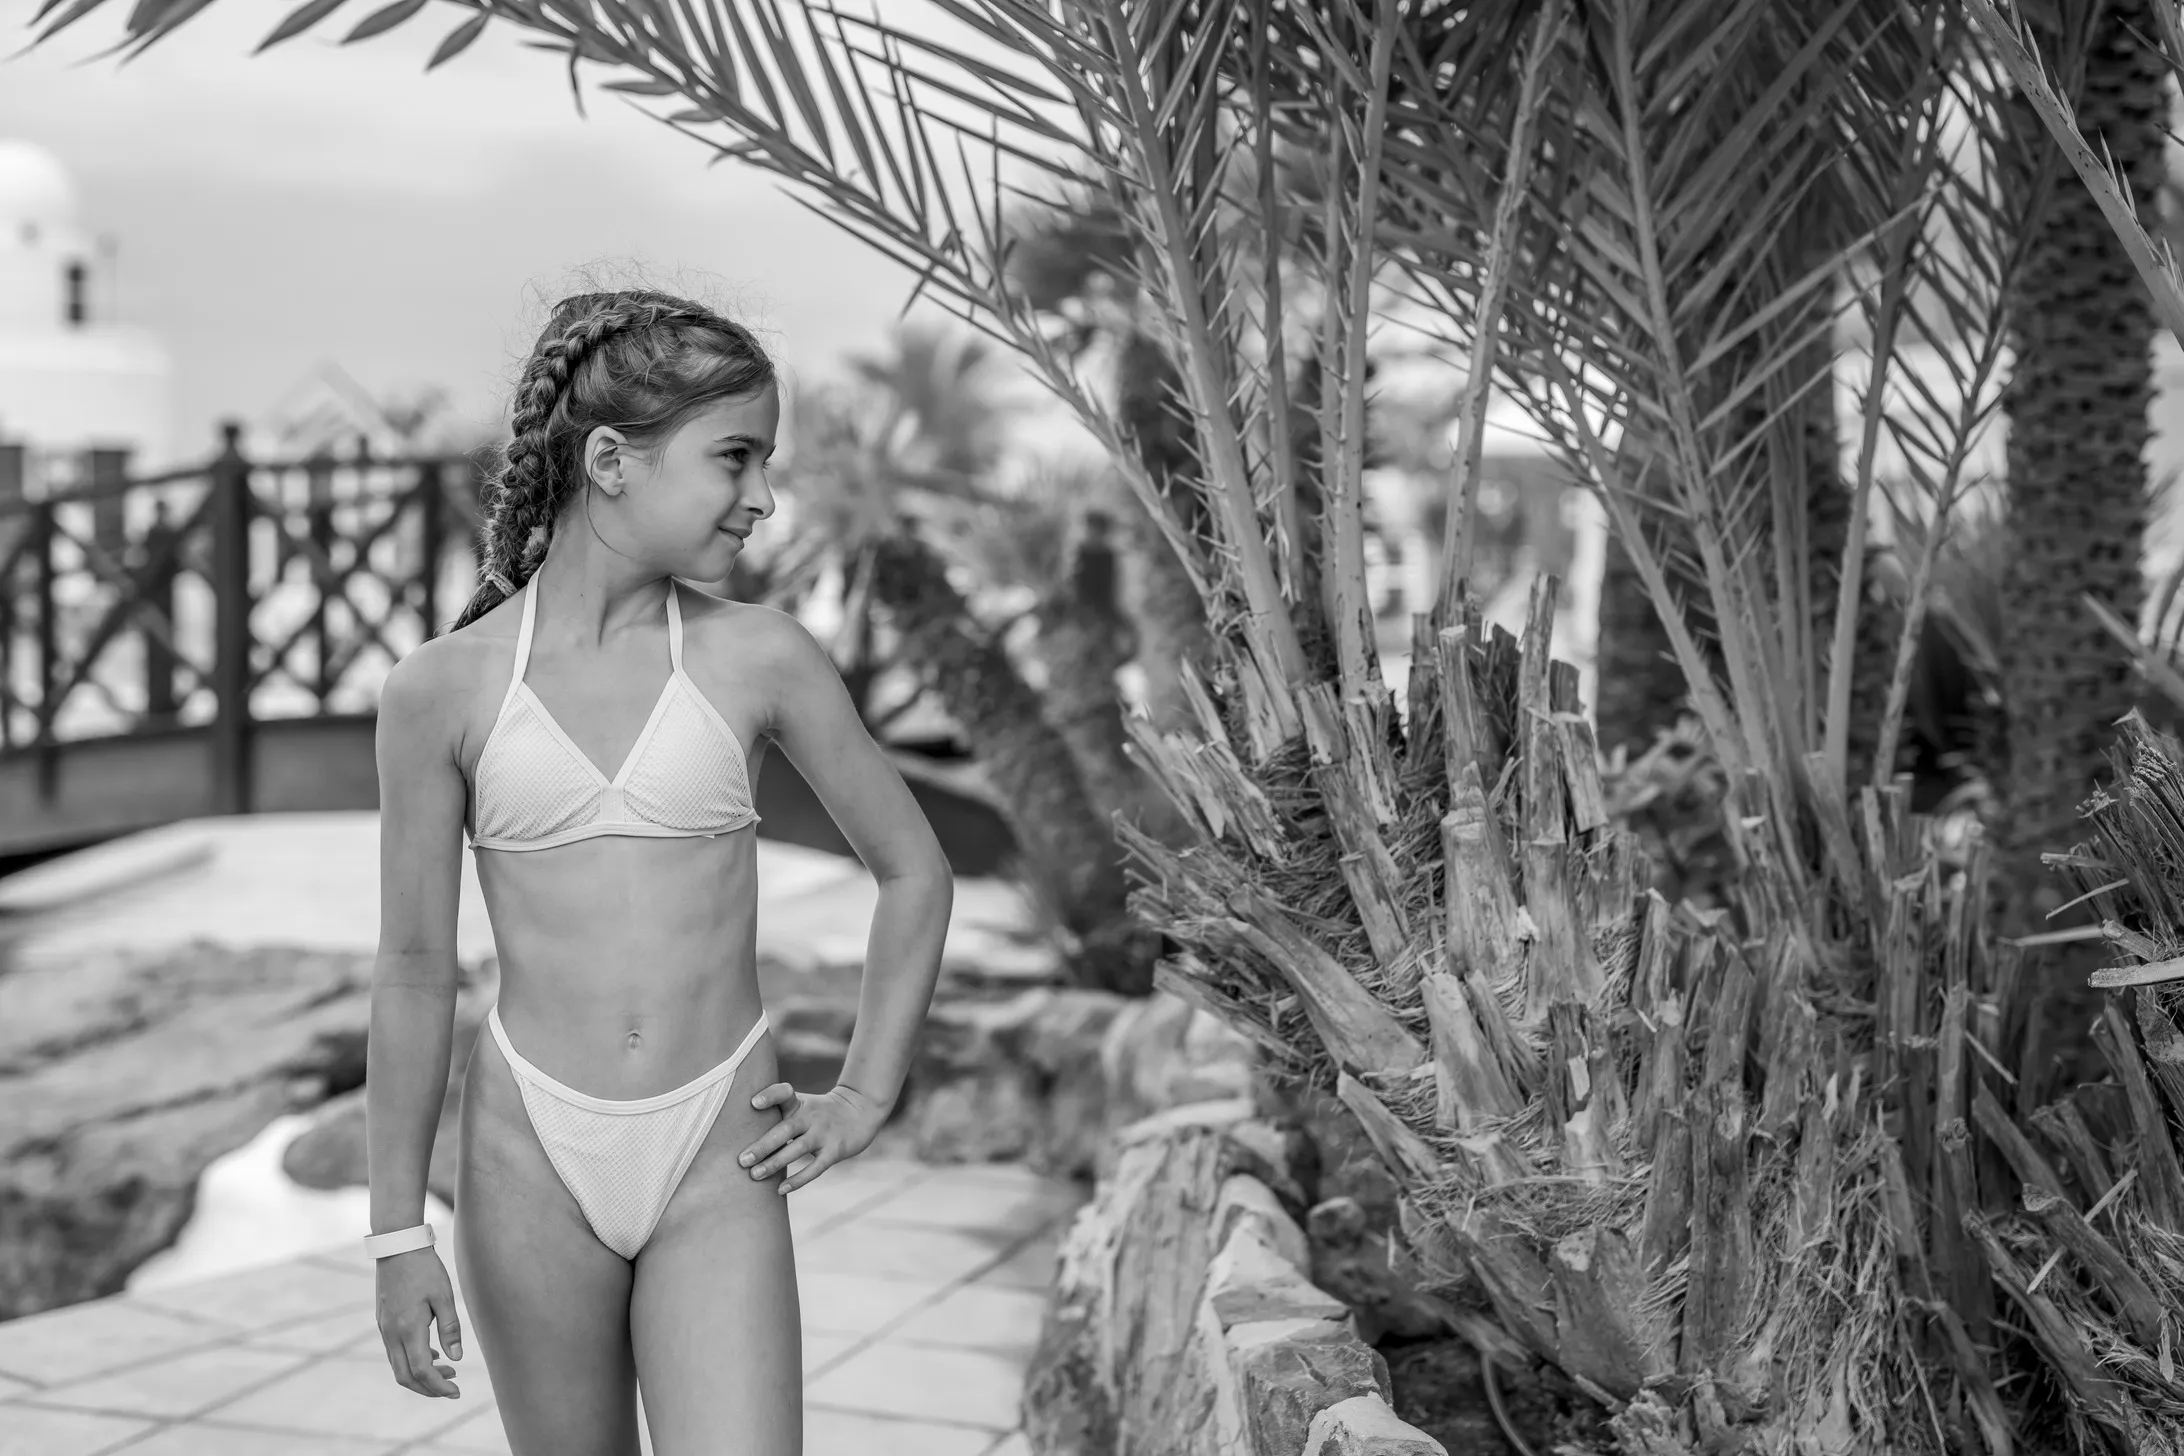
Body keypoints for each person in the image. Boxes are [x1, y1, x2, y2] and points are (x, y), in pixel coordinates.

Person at [361, 287, 954, 1455]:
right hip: (529, 1155)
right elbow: (415, 968)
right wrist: (394, 1235)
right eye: (736, 456)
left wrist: (864, 1095)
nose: (763, 496)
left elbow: (914, 872)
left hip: (716, 1150)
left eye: (765, 460)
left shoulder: (759, 657)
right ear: (610, 461)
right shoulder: (442, 689)